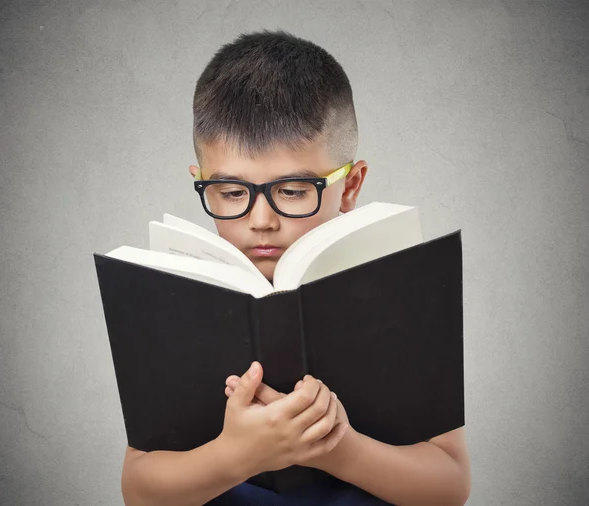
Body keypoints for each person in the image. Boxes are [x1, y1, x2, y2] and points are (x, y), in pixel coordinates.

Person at [120, 29, 471, 506]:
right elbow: (139, 491)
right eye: (230, 192)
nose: (260, 222)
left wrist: (337, 448)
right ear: (201, 182)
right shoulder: (178, 301)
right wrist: (238, 456)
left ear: (350, 186)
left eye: (291, 191)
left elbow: (448, 487)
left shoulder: (404, 295)